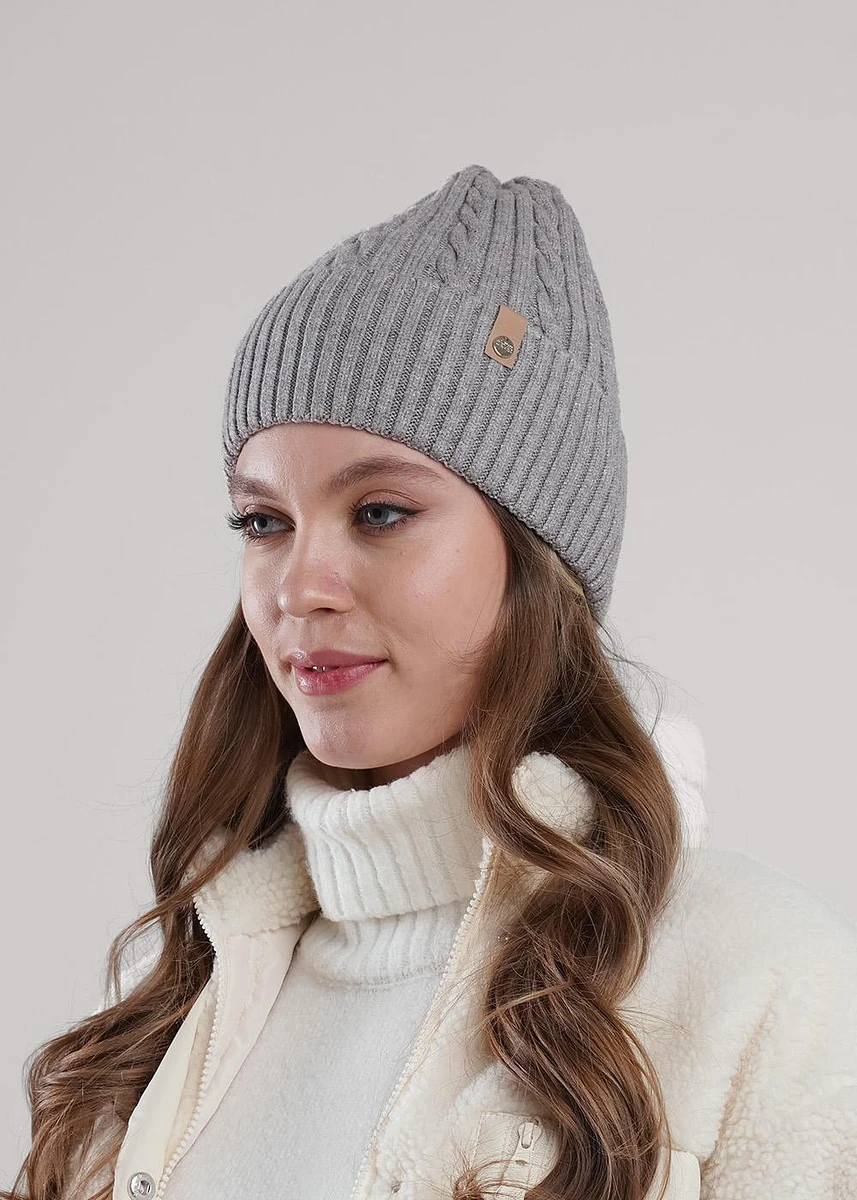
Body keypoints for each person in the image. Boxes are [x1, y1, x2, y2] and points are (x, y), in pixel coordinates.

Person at [4, 165, 856, 1200]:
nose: (298, 586)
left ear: (535, 556)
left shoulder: (757, 986)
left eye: (379, 513)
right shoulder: (180, 1003)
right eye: (263, 522)